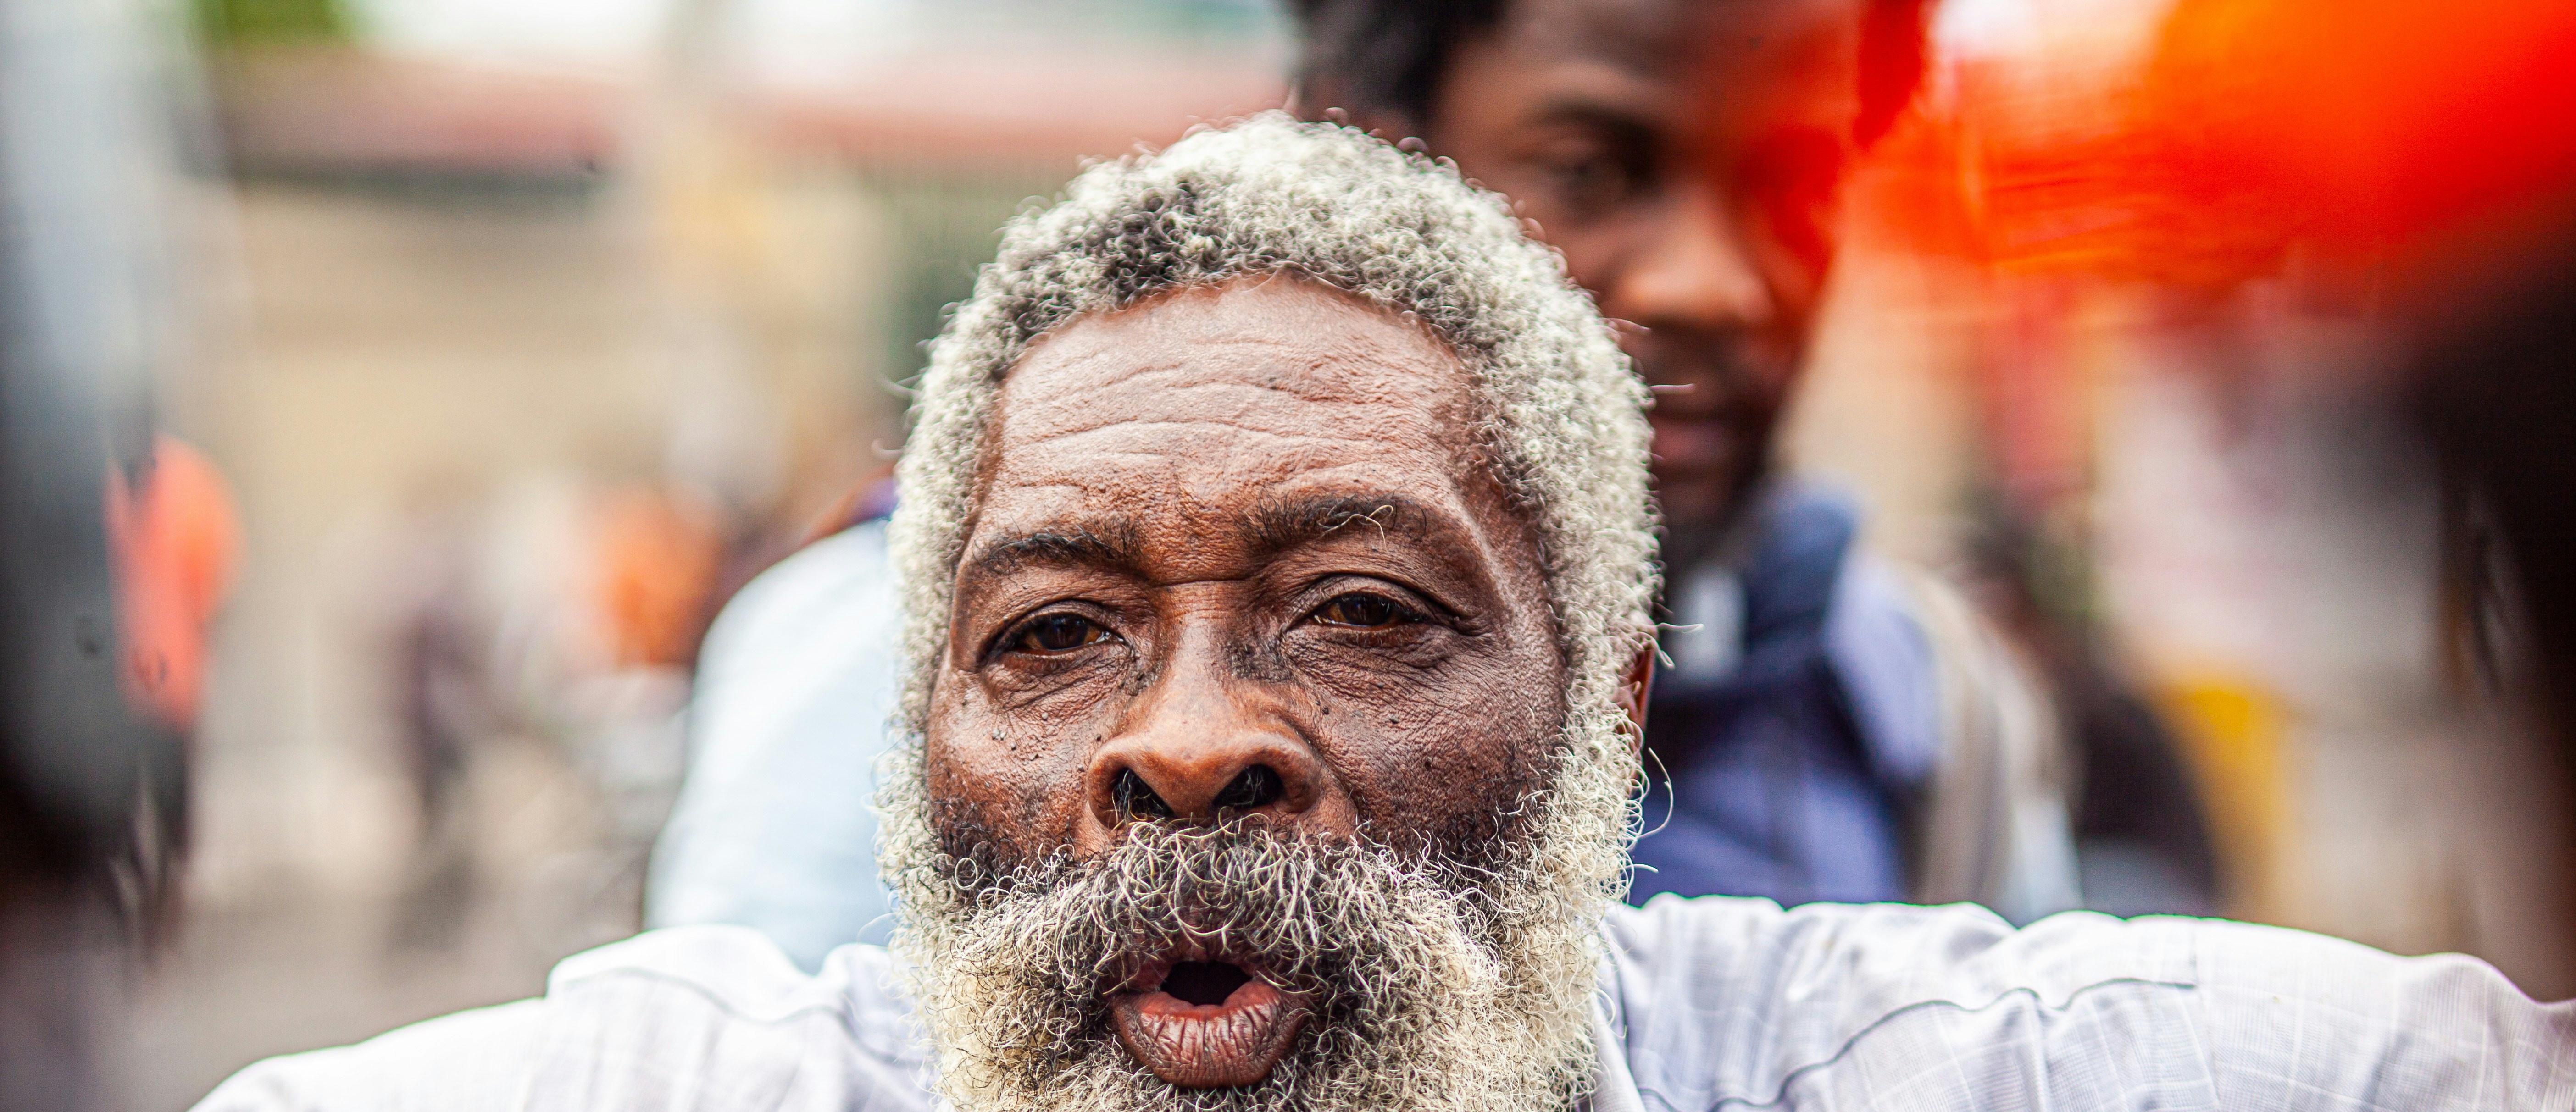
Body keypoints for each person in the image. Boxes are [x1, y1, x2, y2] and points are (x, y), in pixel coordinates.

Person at [11, 120, 2573, 1112]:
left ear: (1610, 719)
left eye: (1364, 610)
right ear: (923, 773)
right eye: (1050, 636)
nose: (1189, 737)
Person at [645, 0, 2078, 973]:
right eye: (1591, 166)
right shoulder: (887, 673)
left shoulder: (1913, 704)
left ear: (1617, 689)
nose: (1714, 280)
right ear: (1369, 146)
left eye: (1797, 186)